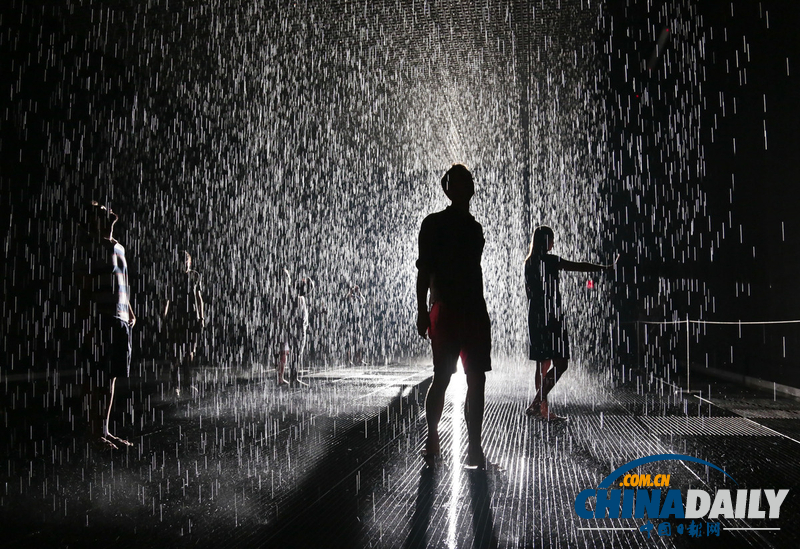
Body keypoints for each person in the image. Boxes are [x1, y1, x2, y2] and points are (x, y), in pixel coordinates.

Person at [416, 164, 491, 469]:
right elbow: (424, 271)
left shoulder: (473, 228)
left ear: (470, 189)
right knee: (446, 377)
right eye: (456, 184)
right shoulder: (435, 224)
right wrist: (422, 309)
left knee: (474, 380)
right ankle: (435, 436)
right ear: (448, 189)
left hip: (468, 310)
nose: (462, 189)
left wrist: (425, 309)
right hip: (450, 309)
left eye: (466, 183)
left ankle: (473, 445)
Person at [524, 225, 617, 420]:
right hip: (552, 316)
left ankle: (542, 410)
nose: (554, 243)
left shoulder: (529, 262)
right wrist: (605, 268)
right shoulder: (550, 260)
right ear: (545, 241)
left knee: (542, 365)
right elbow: (580, 265)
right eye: (551, 239)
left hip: (536, 315)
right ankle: (536, 405)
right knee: (561, 363)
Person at [76, 201, 136, 449]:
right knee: (98, 376)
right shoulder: (92, 247)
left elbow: (124, 281)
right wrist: (88, 321)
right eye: (102, 210)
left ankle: (104, 430)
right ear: (95, 219)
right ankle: (94, 433)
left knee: (110, 377)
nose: (109, 210)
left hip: (121, 318)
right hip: (102, 317)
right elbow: (85, 286)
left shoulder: (119, 247)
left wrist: (130, 310)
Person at [162, 251, 205, 397]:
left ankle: (187, 384)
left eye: (185, 261)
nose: (183, 264)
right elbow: (167, 298)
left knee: (189, 354)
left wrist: (201, 317)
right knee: (175, 354)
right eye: (181, 261)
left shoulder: (195, 276)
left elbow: (199, 297)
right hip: (176, 318)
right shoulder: (173, 277)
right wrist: (165, 316)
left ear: (189, 262)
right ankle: (176, 386)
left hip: (191, 318)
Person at [343, 284, 366, 364]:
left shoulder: (358, 298)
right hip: (350, 321)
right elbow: (347, 298)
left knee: (359, 341)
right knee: (349, 341)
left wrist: (359, 293)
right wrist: (351, 292)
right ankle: (348, 360)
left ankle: (359, 359)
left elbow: (364, 301)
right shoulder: (349, 297)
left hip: (357, 322)